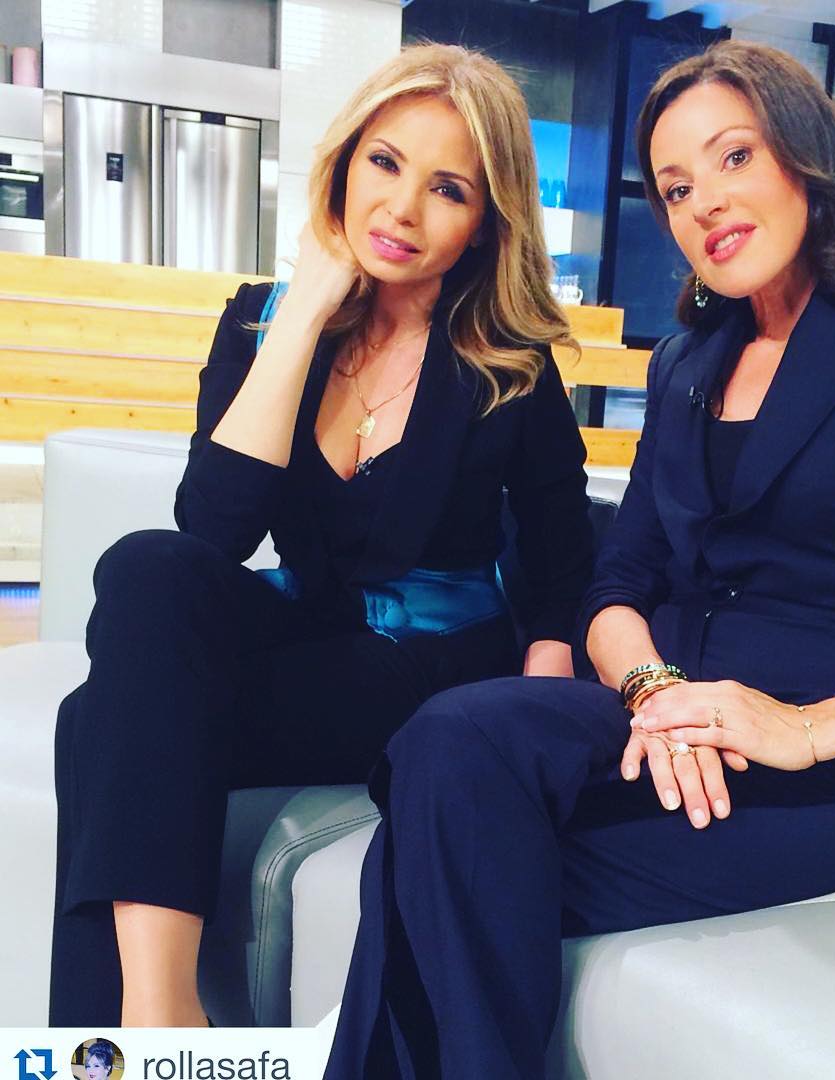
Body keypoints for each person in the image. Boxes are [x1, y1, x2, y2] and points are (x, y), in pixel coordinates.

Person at [321, 40, 835, 1079]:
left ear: (807, 157)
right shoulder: (684, 362)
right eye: (676, 187)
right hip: (659, 724)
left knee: (428, 845)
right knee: (448, 746)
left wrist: (811, 728)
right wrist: (653, 692)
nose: (704, 202)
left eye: (734, 157)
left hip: (821, 773)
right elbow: (614, 585)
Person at [49, 43, 594, 1029]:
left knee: (95, 723)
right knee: (147, 568)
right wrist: (300, 316)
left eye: (448, 189)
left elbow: (562, 555)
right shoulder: (259, 323)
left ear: (484, 221)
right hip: (308, 626)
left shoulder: (506, 361)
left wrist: (543, 687)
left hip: (428, 661)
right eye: (385, 163)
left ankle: (123, 1040)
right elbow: (214, 530)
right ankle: (162, 1017)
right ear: (344, 163)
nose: (403, 209)